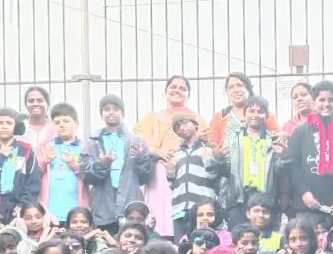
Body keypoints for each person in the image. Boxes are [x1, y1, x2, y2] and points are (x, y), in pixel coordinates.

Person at [135, 76, 208, 238]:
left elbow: (206, 143)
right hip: (160, 171)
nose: (177, 91)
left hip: (189, 174)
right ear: (166, 91)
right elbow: (140, 144)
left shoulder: (197, 118)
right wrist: (157, 152)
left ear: (188, 94)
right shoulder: (151, 118)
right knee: (161, 215)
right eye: (173, 87)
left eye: (182, 88)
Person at [286, 80, 333, 225]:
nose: (326, 104)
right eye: (322, 100)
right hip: (306, 206)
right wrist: (304, 192)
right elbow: (293, 167)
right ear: (313, 102)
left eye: (331, 100)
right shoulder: (300, 133)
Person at [83, 94, 156, 234]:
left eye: (115, 109)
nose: (111, 112)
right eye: (107, 109)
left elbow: (147, 177)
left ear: (122, 113)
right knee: (105, 242)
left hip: (130, 202)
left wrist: (140, 159)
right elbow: (86, 175)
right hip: (103, 204)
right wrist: (102, 164)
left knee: (133, 240)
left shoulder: (136, 141)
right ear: (101, 114)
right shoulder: (93, 142)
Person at [212, 95, 285, 227]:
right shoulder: (232, 138)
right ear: (245, 114)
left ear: (266, 115)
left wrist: (284, 156)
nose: (255, 115)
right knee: (238, 235)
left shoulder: (273, 140)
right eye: (251, 111)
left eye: (260, 111)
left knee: (263, 235)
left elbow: (279, 171)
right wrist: (218, 158)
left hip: (264, 197)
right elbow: (224, 170)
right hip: (238, 197)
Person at [0, 106, 41, 222]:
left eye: (9, 123)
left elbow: (33, 182)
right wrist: (0, 156)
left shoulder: (26, 151)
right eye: (0, 123)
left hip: (17, 207)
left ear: (16, 126)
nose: (4, 126)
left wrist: (24, 204)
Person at [168, 112, 220, 242]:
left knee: (204, 243)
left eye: (185, 123)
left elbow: (214, 177)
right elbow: (172, 185)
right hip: (180, 208)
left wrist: (209, 160)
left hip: (203, 210)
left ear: (195, 125)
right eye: (177, 127)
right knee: (182, 245)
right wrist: (170, 170)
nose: (181, 128)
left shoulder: (209, 148)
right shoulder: (176, 153)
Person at [37, 102, 93, 225]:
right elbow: (34, 175)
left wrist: (74, 164)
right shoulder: (44, 147)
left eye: (66, 121)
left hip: (77, 215)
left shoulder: (85, 147)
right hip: (49, 212)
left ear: (76, 123)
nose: (61, 125)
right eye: (57, 122)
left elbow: (91, 176)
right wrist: (44, 161)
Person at [21, 86, 55, 150]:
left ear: (47, 104)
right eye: (31, 101)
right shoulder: (19, 129)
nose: (35, 104)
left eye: (40, 100)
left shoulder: (55, 128)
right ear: (26, 105)